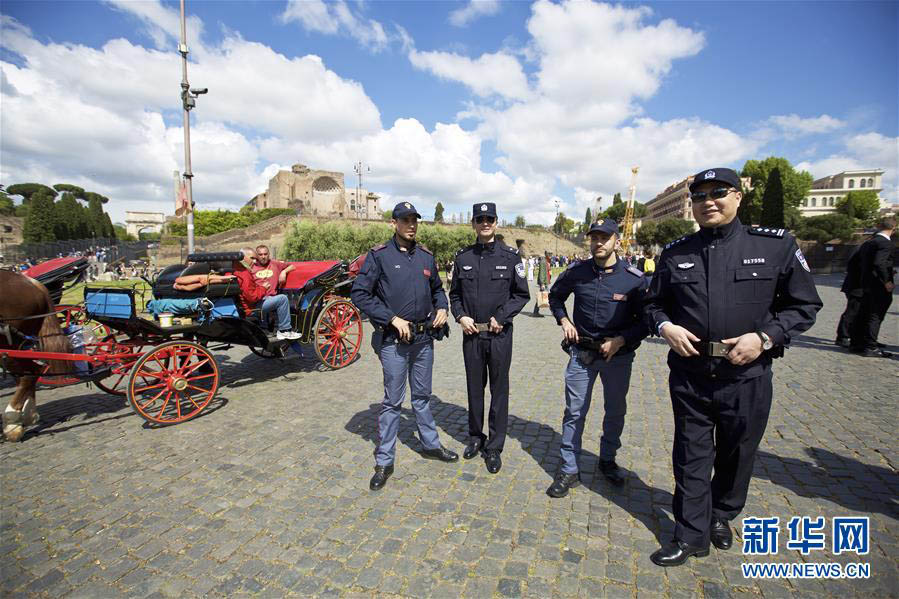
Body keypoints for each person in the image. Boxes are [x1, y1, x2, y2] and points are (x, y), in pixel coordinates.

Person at [644, 167, 822, 567]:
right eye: (700, 195)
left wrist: (765, 337)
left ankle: (721, 514)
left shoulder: (775, 246)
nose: (709, 201)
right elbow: (652, 304)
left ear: (738, 197)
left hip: (747, 376)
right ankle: (690, 535)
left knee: (737, 452)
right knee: (690, 453)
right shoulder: (676, 252)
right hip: (691, 373)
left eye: (718, 192)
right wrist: (664, 325)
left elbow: (804, 305)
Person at [351, 202, 458, 491]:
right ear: (394, 223)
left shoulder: (425, 257)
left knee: (422, 396)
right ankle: (385, 459)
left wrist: (442, 307)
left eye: (414, 220)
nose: (411, 224)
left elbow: (438, 289)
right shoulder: (379, 256)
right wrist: (390, 318)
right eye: (405, 219)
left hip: (424, 341)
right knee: (393, 402)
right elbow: (359, 294)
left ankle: (430, 445)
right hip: (393, 341)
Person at [545, 219, 649, 498]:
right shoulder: (577, 273)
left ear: (617, 240)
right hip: (582, 354)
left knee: (615, 411)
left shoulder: (634, 279)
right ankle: (568, 469)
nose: (598, 243)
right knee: (574, 411)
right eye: (594, 238)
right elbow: (555, 297)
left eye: (605, 237)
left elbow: (646, 321)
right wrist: (564, 320)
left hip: (618, 356)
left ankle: (608, 459)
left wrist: (621, 340)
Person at [449, 203, 530, 474]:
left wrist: (502, 317)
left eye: (489, 218)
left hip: (499, 336)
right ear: (474, 223)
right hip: (472, 336)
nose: (485, 223)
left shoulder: (510, 257)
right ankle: (475, 437)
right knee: (474, 388)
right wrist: (460, 316)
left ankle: (494, 446)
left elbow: (521, 294)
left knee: (499, 390)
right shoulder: (463, 258)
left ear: (496, 222)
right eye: (480, 219)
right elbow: (455, 295)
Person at [850, 216, 896, 357]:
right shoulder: (885, 243)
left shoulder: (869, 242)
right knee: (875, 315)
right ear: (893, 228)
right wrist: (887, 280)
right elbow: (879, 263)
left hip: (866, 283)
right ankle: (870, 345)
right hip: (878, 285)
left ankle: (857, 342)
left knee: (864, 313)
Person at [231, 248, 300, 341]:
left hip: (251, 304)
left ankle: (269, 328)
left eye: (265, 254)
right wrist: (263, 288)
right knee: (282, 299)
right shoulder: (245, 274)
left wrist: (283, 272)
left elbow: (292, 266)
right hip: (253, 307)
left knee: (274, 298)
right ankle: (284, 330)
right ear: (243, 258)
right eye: (253, 258)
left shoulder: (238, 270)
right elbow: (252, 297)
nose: (255, 261)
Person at [835, 246, 863, 348]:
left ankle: (857, 336)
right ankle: (843, 336)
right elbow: (853, 267)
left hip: (860, 287)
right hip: (856, 287)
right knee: (851, 312)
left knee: (859, 312)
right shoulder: (861, 249)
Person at [532, 250, 552, 316]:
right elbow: (541, 273)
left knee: (542, 297)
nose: (550, 255)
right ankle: (554, 312)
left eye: (551, 254)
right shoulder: (543, 261)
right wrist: (542, 283)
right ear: (546, 254)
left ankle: (535, 311)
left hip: (545, 282)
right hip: (544, 283)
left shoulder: (546, 261)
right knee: (548, 297)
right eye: (549, 254)